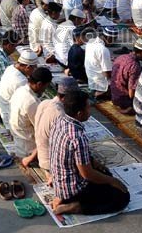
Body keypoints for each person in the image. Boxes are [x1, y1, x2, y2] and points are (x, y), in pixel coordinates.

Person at [48, 88, 130, 216]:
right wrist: (113, 181)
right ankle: (77, 206)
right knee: (122, 197)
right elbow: (87, 174)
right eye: (88, 108)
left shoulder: (59, 120)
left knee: (104, 172)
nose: (90, 111)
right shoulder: (77, 137)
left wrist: (94, 163)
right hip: (73, 190)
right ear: (80, 113)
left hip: (61, 183)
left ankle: (64, 197)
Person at [10, 66, 53, 167]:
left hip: (19, 137)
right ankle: (31, 159)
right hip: (28, 146)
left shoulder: (20, 90)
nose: (45, 90)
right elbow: (43, 130)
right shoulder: (31, 102)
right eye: (45, 87)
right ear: (39, 84)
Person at [34, 78, 73, 179]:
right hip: (51, 164)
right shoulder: (61, 115)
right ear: (67, 97)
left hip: (42, 157)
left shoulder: (44, 103)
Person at [0, 49, 38, 130]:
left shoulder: (10, 68)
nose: (34, 70)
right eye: (34, 68)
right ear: (28, 67)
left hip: (5, 110)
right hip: (11, 120)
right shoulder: (21, 82)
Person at [109, 38, 142, 115]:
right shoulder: (134, 66)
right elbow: (131, 93)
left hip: (114, 95)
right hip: (123, 100)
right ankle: (130, 109)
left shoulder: (121, 57)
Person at [84, 26, 115, 100]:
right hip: (100, 84)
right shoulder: (103, 49)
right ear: (109, 38)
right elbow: (107, 74)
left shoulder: (90, 42)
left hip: (91, 79)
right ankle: (102, 93)